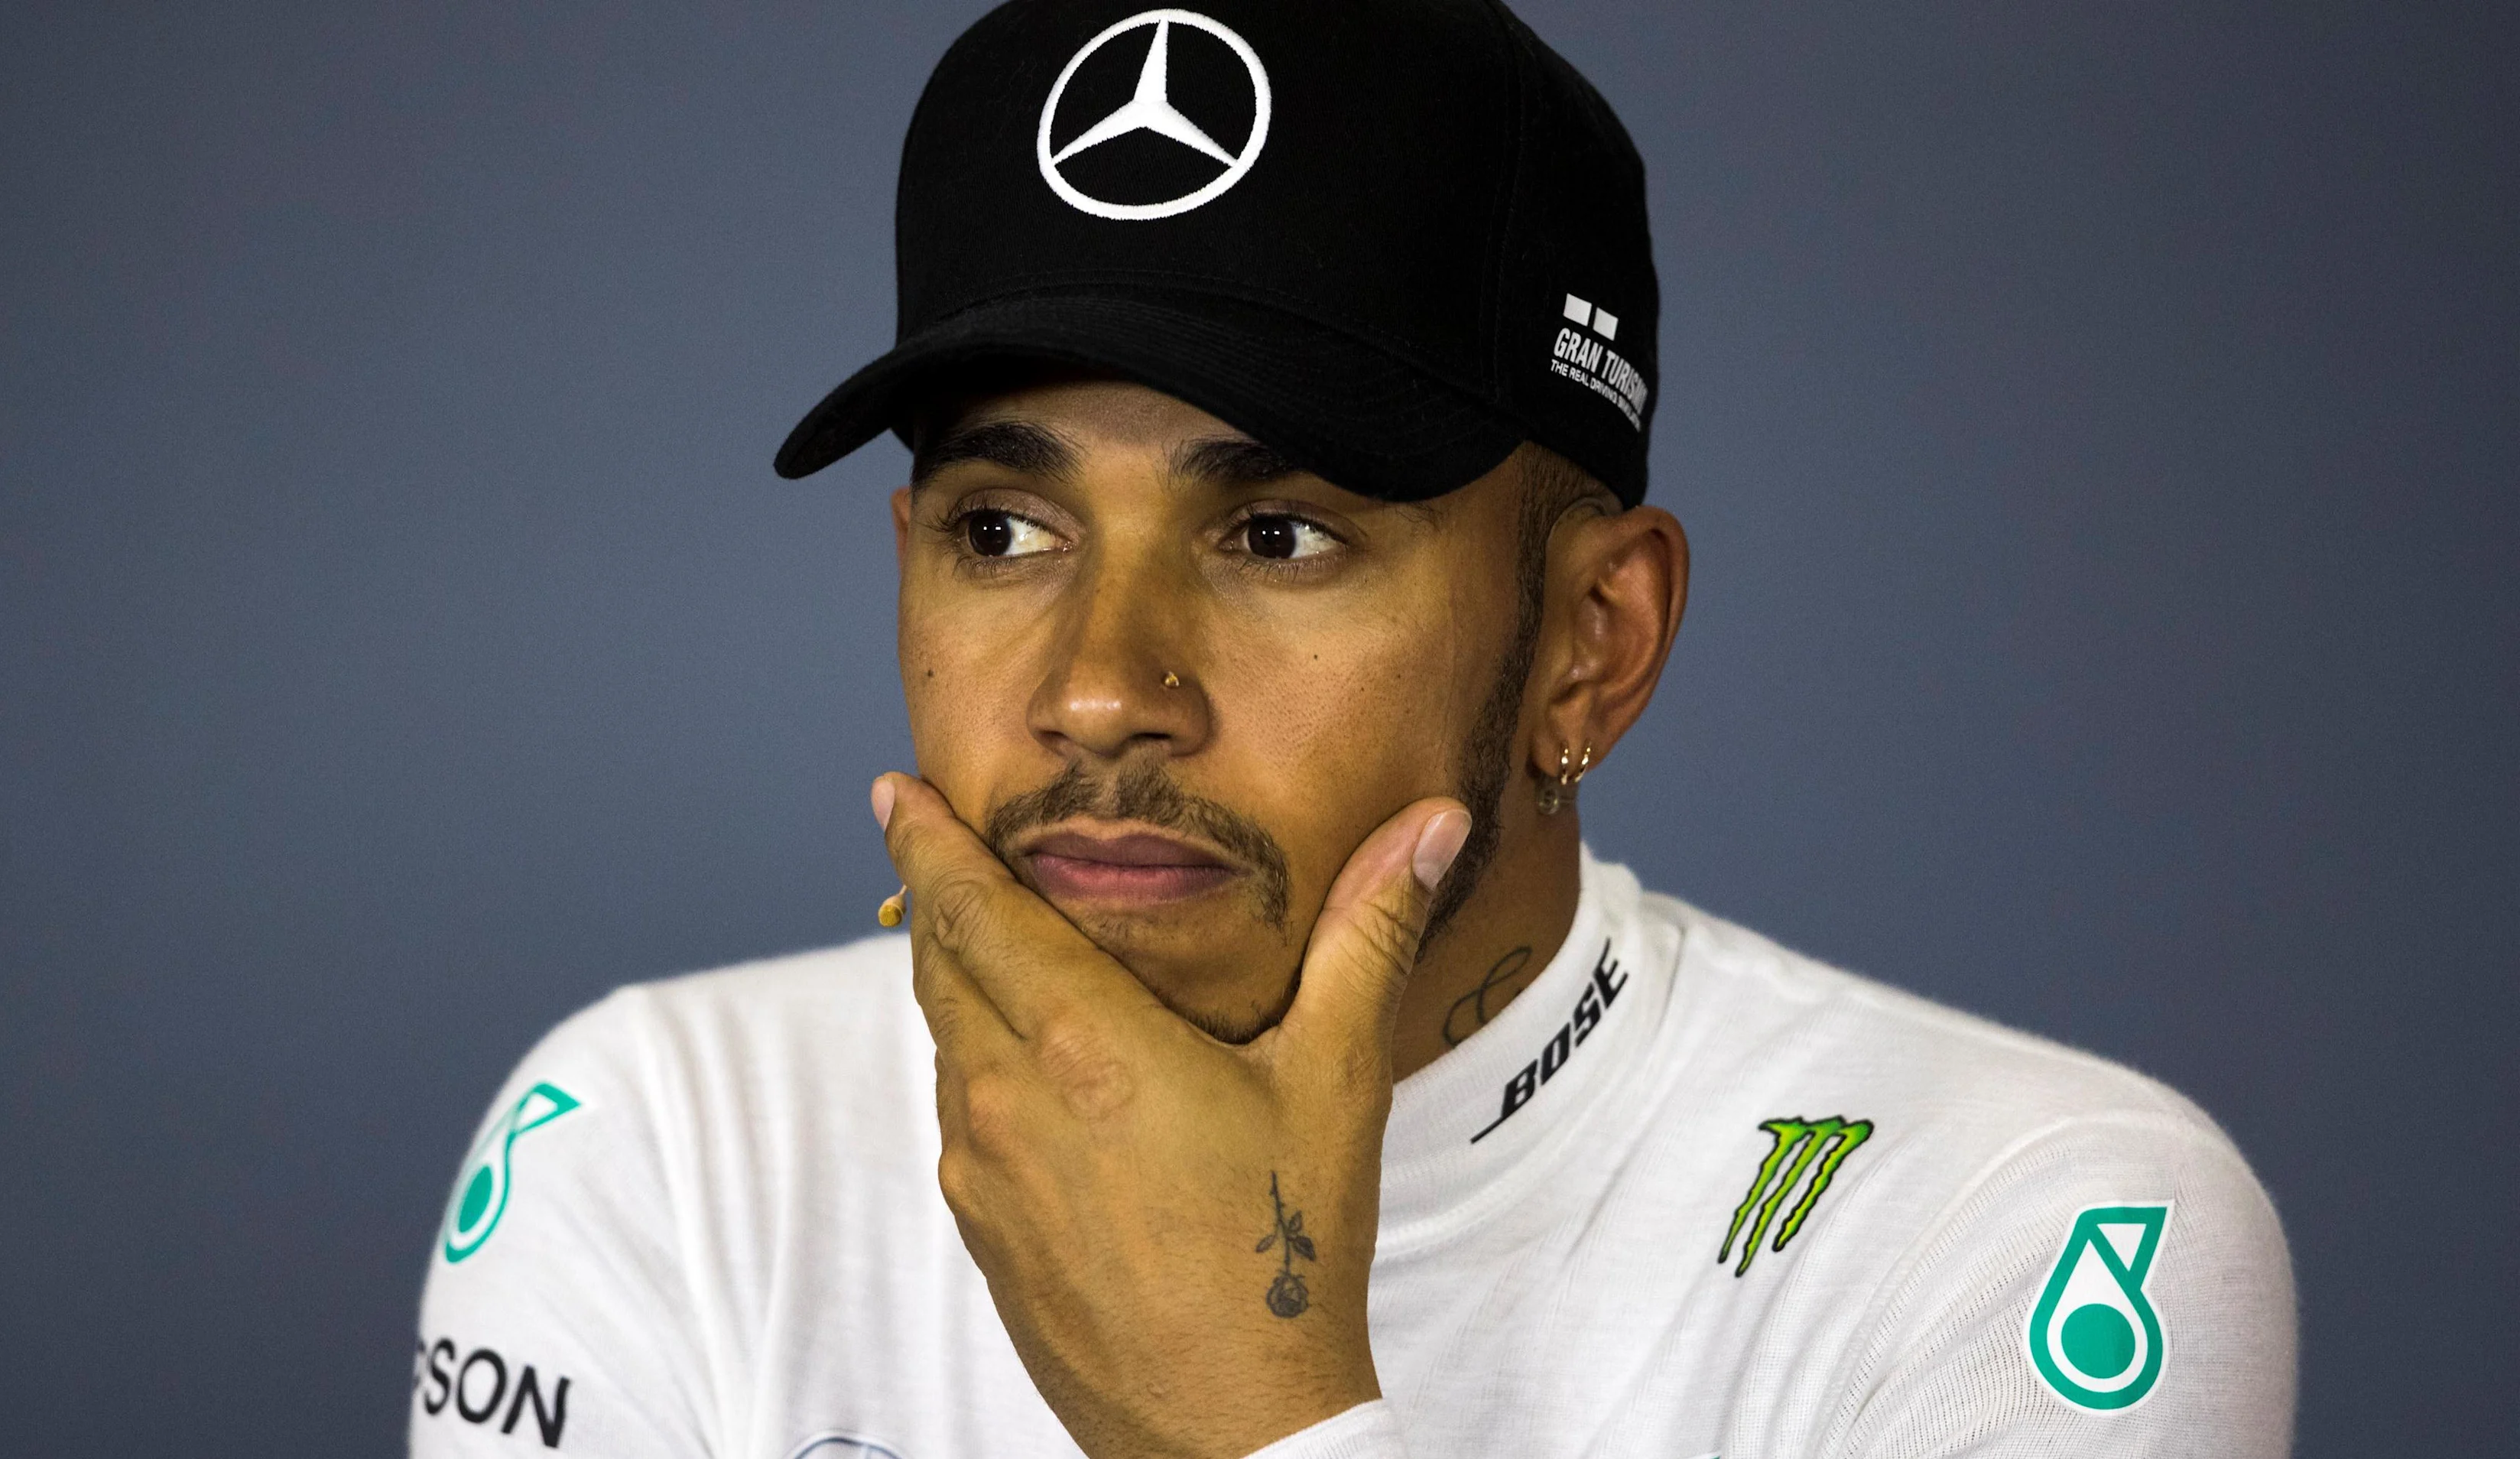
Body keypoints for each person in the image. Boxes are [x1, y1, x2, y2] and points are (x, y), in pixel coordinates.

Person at [409, 3, 2295, 1455]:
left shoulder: (2016, 1229)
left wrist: (1254, 1413)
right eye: (1003, 531)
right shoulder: (663, 1132)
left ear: (1591, 644)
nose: (1095, 688)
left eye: (1279, 534)